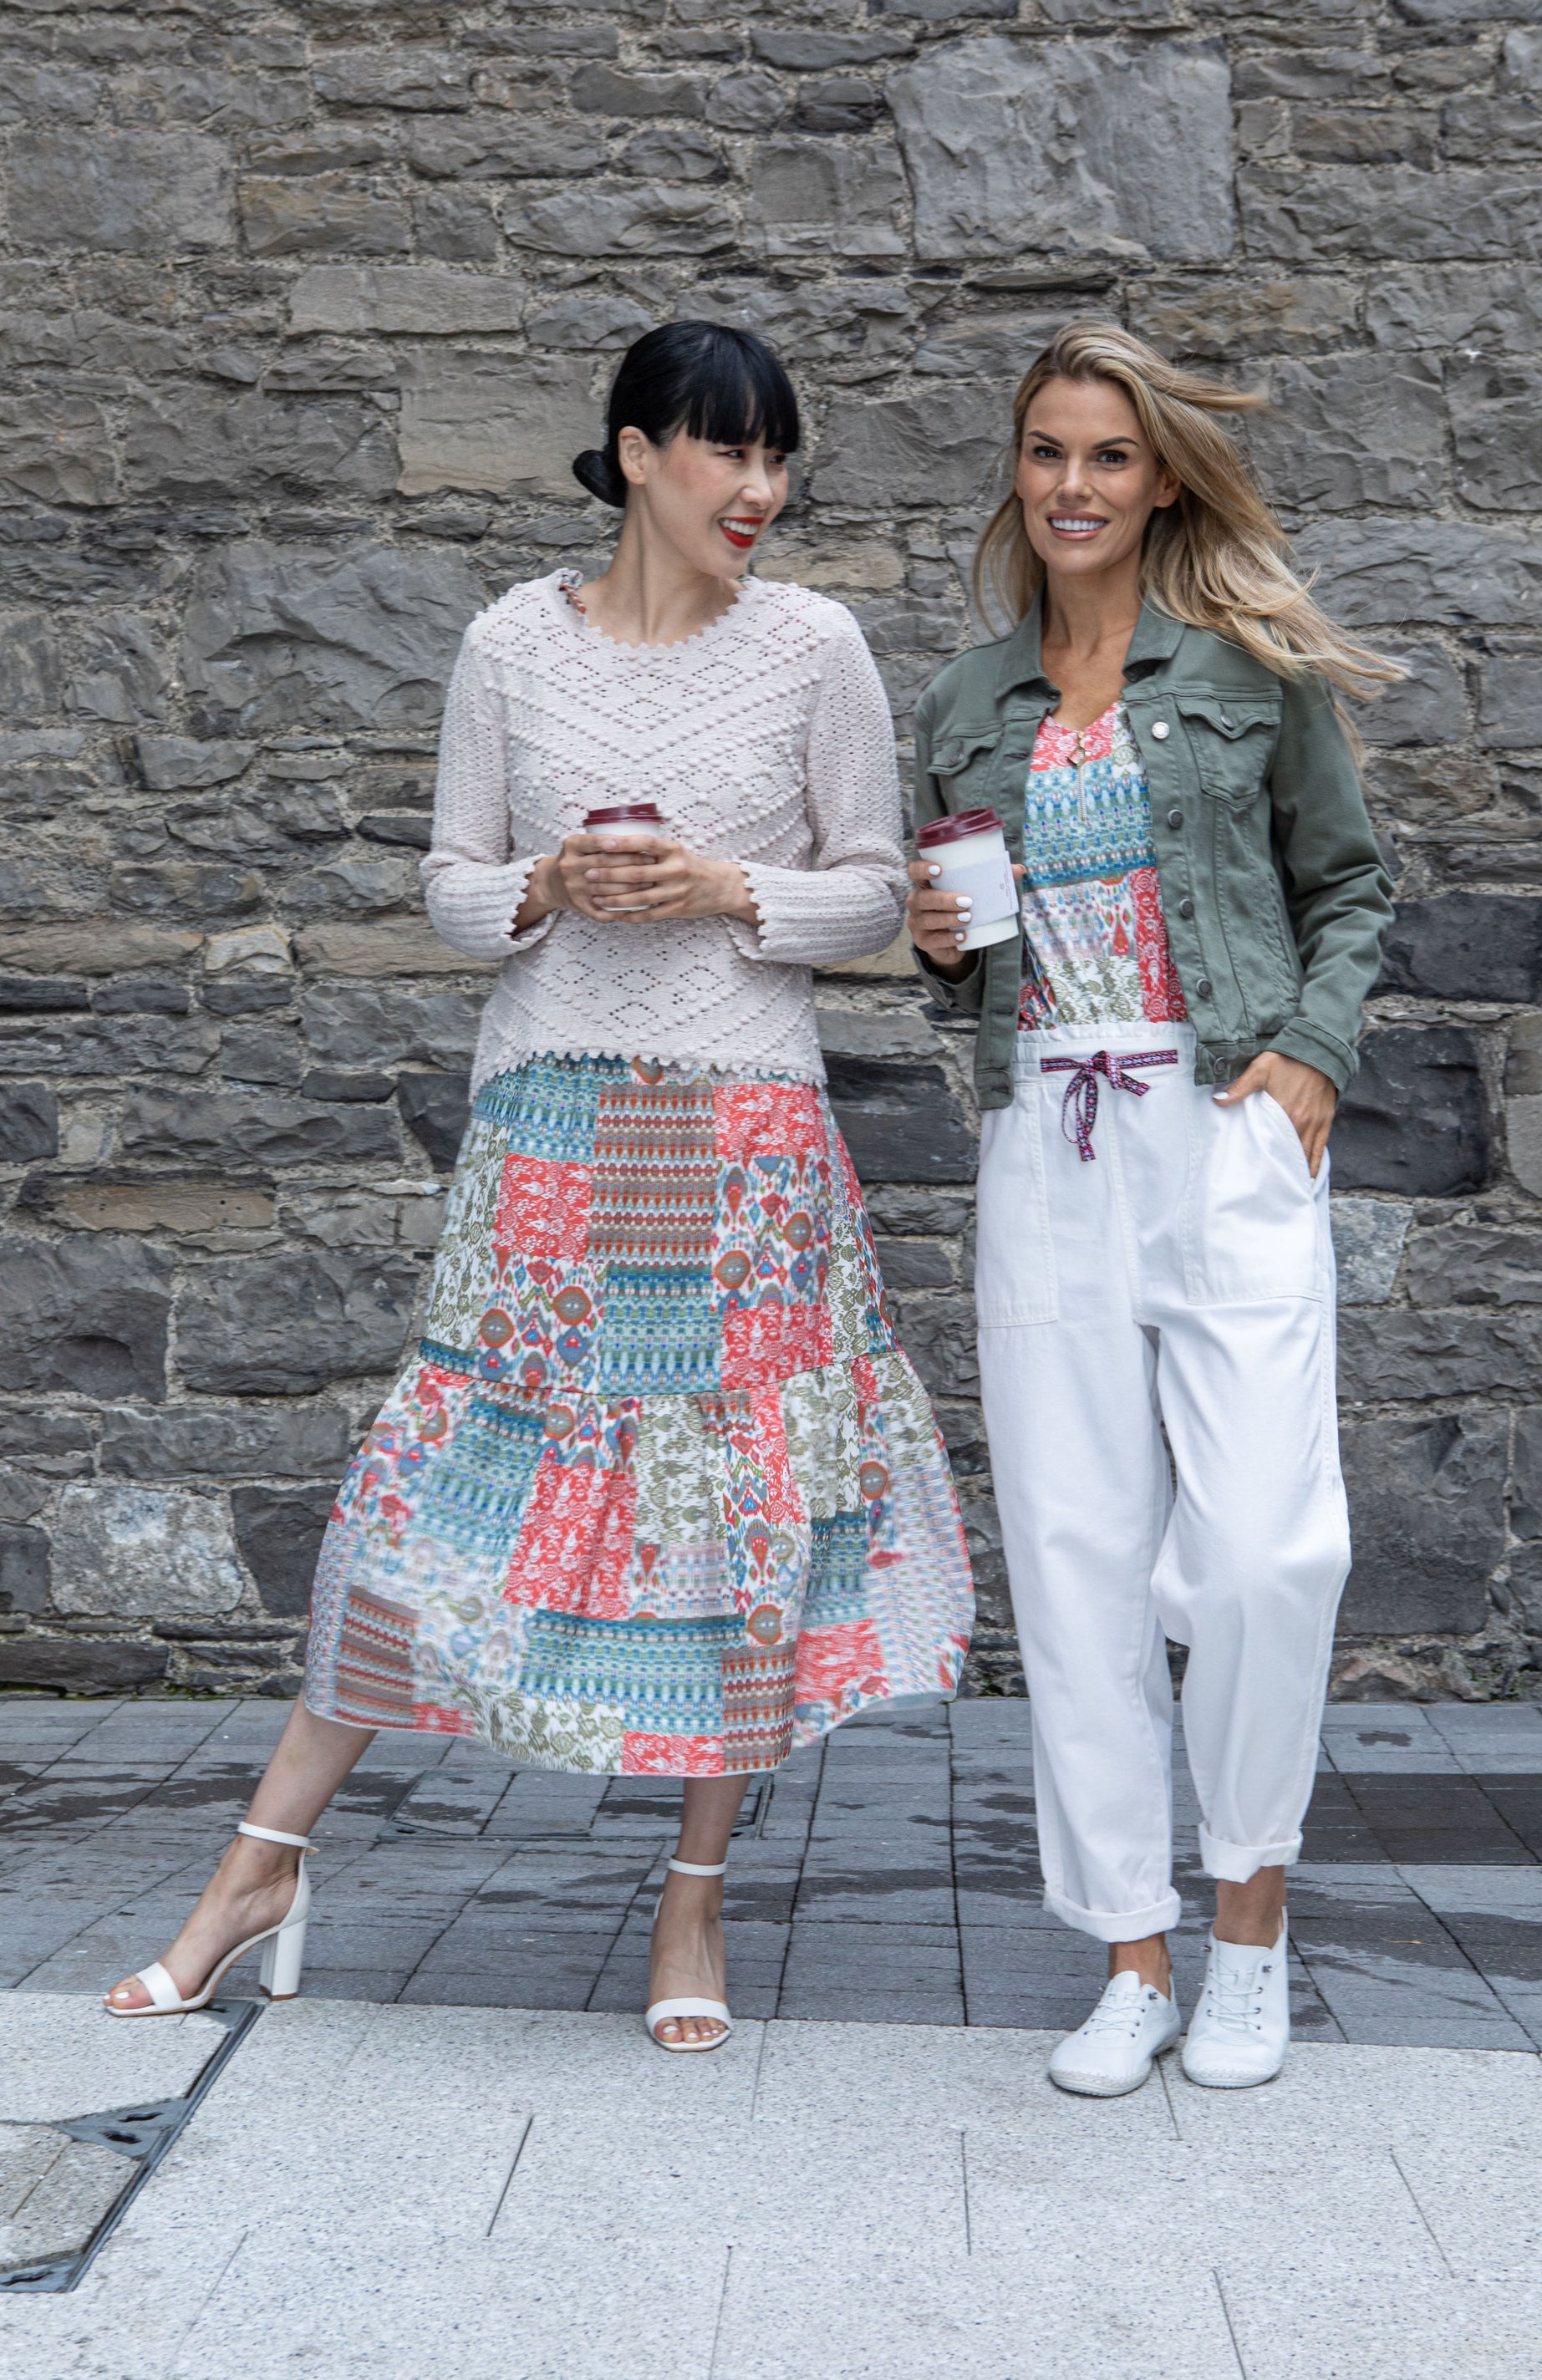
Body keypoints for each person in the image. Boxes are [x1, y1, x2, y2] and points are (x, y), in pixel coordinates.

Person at [106, 321, 974, 2051]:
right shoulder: (509, 641)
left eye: (779, 459)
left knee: (734, 1505)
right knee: (437, 1483)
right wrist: (545, 885)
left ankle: (693, 1896)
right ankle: (259, 1866)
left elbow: (876, 891)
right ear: (637, 454)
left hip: (740, 1138)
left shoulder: (815, 645)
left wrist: (728, 887)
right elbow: (447, 887)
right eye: (729, 451)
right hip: (551, 1133)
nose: (759, 489)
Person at [907, 322, 1397, 2096]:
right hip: (1046, 1138)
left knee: (1269, 1548)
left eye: (1107, 454)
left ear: (1163, 478)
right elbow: (964, 945)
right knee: (1074, 1559)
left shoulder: (1250, 671)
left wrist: (1312, 1057)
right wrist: (936, 947)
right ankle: (1130, 1950)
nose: (1072, 485)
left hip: (1221, 1125)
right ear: (1015, 471)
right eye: (1046, 451)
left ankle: (1248, 1929)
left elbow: (1348, 881)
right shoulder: (967, 701)